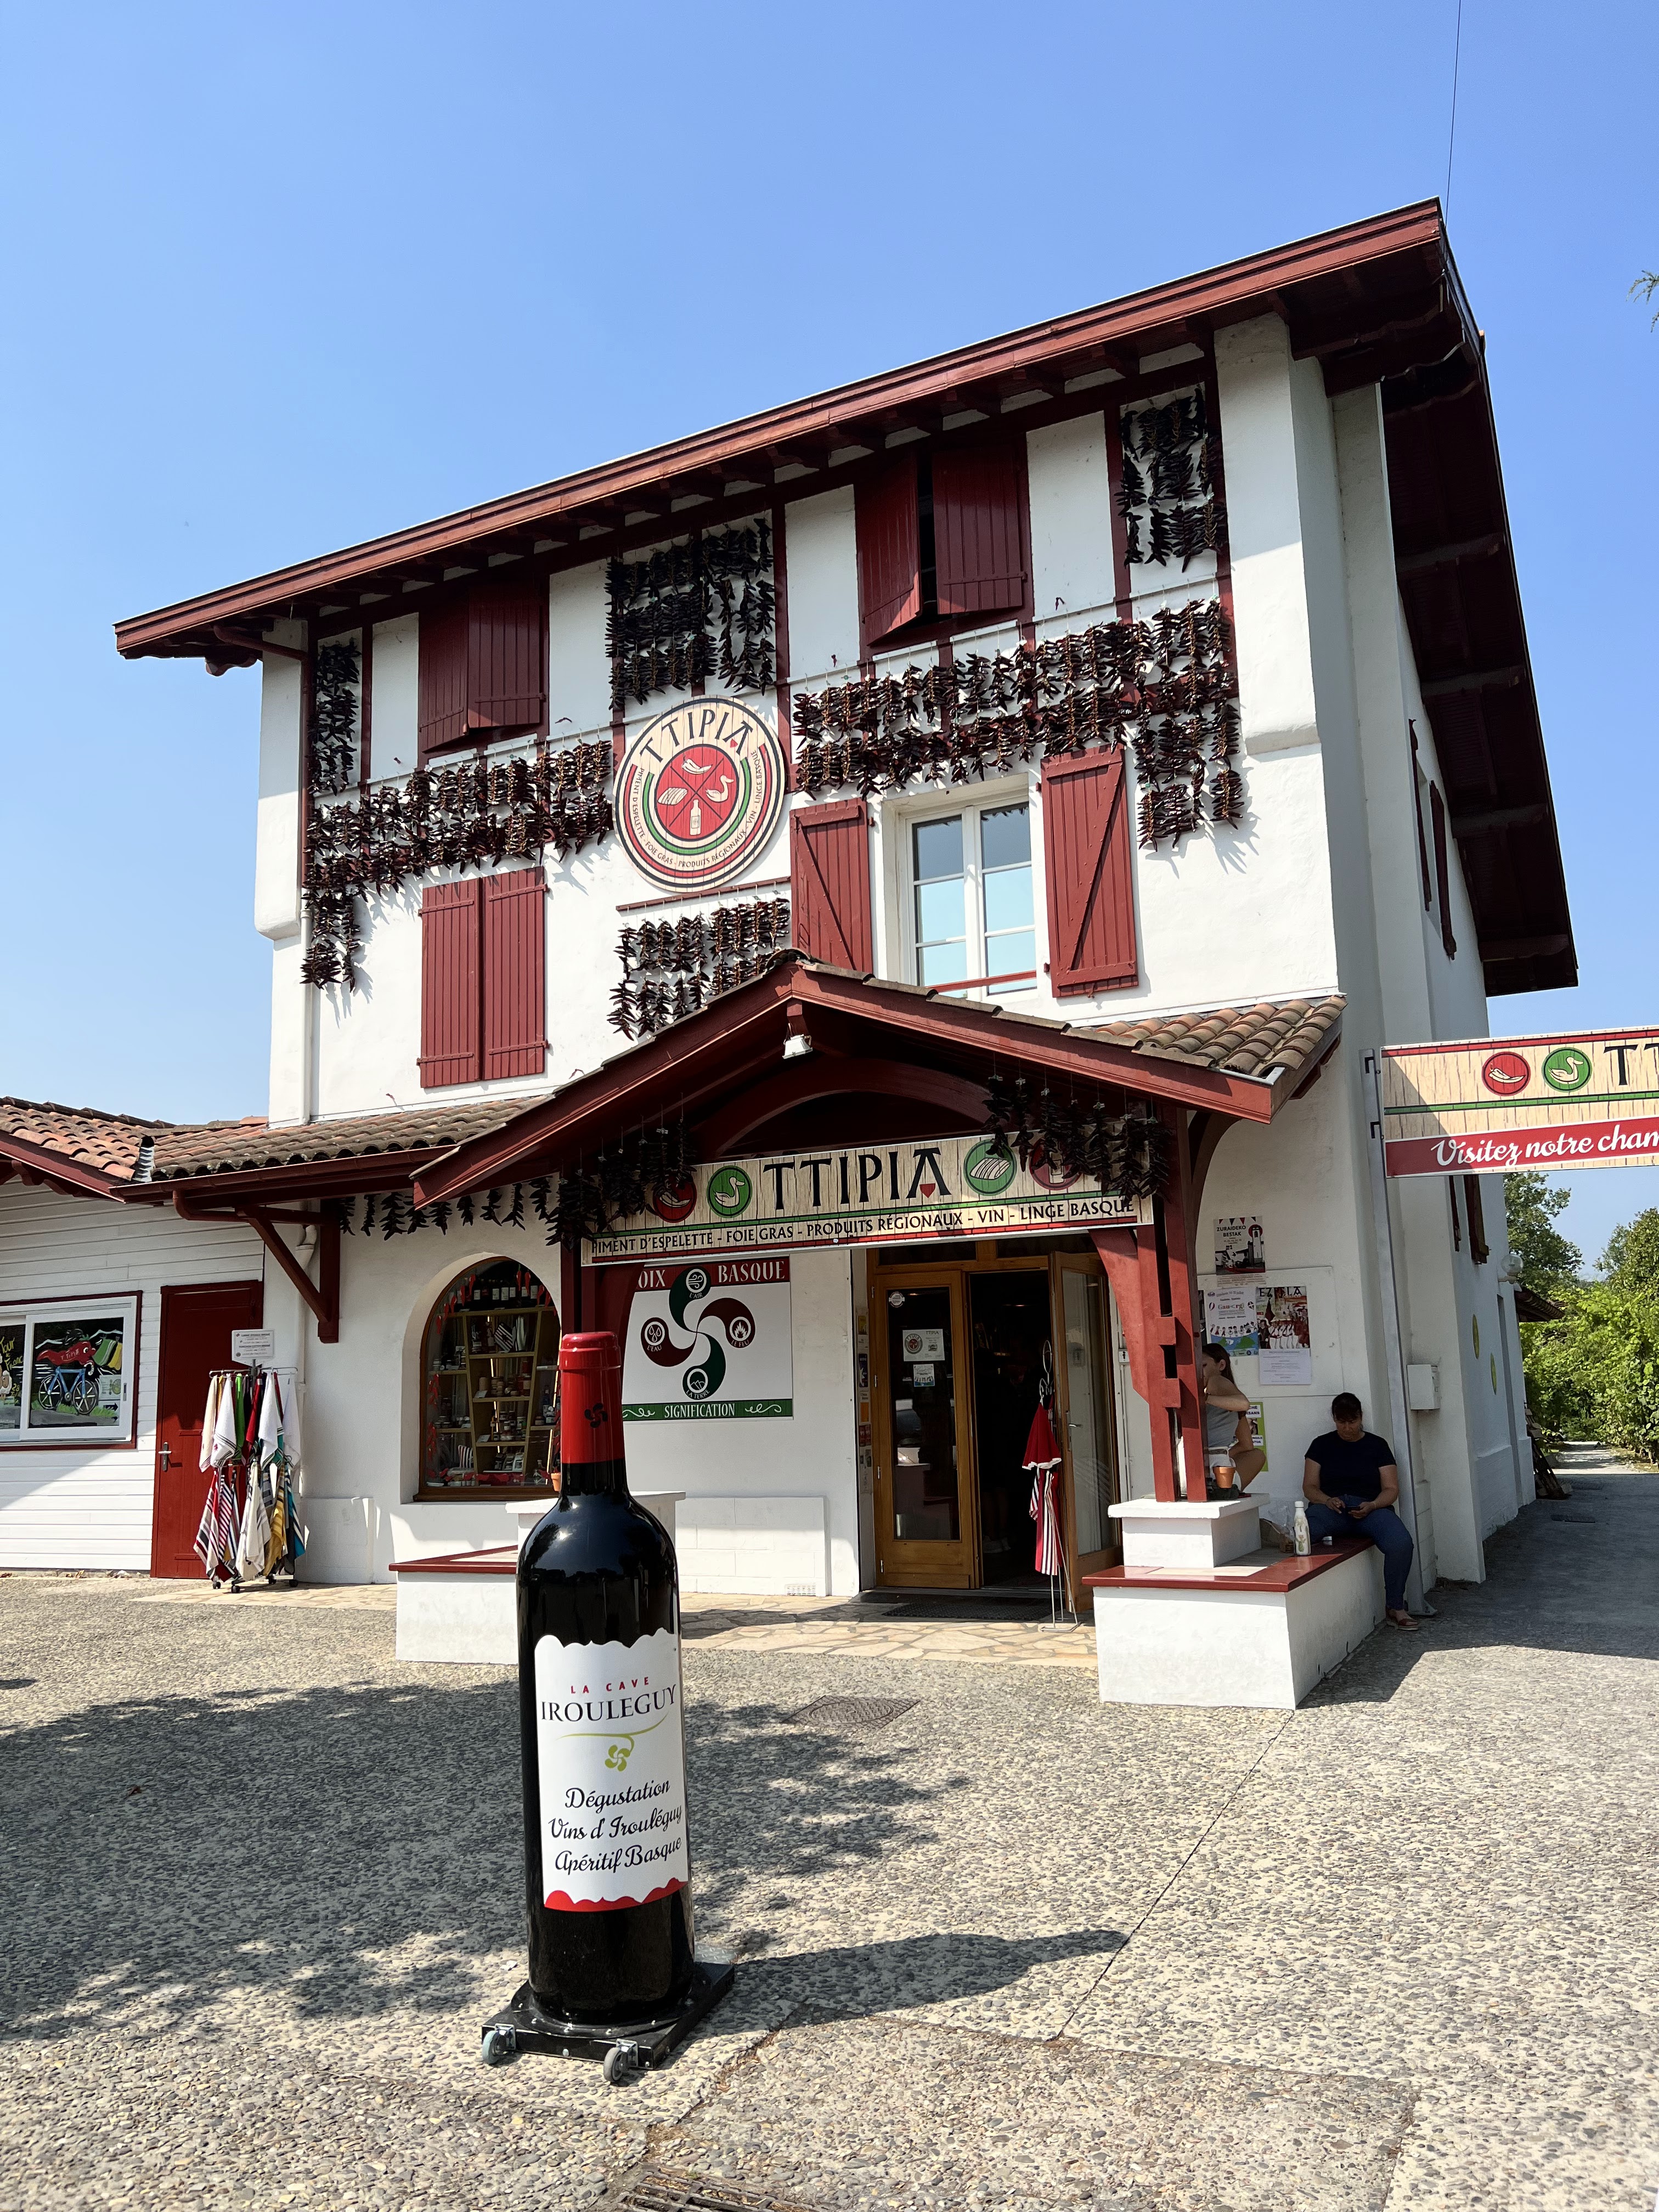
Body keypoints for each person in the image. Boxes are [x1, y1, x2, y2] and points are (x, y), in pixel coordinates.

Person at [1303, 1393, 1418, 1630]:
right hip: (1332, 1509)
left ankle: (1395, 1606)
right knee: (1303, 1534)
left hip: (1371, 1509)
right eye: (1341, 1422)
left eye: (1352, 1422)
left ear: (1361, 1417)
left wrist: (1373, 1505)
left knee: (1401, 1544)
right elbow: (1309, 1487)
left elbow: (1391, 1489)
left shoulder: (1377, 1445)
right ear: (1334, 1419)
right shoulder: (1321, 1445)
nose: (1347, 1428)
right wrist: (1327, 1500)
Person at [1200, 1342, 1266, 1495]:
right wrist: (1223, 1454)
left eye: (1203, 1365)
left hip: (1199, 1471)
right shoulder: (1229, 1404)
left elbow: (1244, 1404)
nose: (1199, 1370)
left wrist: (1205, 1399)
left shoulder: (1215, 1380)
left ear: (1221, 1365)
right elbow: (1247, 1445)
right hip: (1219, 1471)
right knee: (1257, 1455)